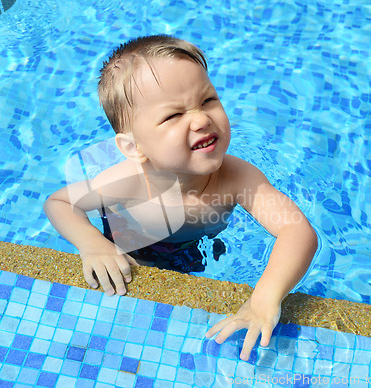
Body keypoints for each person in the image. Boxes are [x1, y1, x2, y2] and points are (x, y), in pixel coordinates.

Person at [43, 35, 318, 361]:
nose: (202, 119)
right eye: (173, 116)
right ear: (134, 148)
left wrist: (265, 298)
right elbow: (58, 203)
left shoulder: (236, 178)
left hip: (191, 248)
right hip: (130, 243)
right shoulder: (124, 182)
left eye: (208, 100)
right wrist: (94, 245)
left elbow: (298, 232)